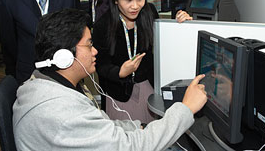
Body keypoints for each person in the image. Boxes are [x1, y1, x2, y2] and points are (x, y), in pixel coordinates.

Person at [13, 8, 207, 150]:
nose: (95, 51)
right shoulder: (61, 113)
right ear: (64, 57)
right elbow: (131, 147)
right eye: (89, 45)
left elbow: (100, 127)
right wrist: (186, 108)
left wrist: (139, 126)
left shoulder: (45, 84)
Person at [93, 0, 192, 123]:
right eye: (129, 0)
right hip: (118, 94)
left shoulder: (149, 12)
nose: (135, 6)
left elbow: (162, 46)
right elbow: (100, 65)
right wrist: (120, 72)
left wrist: (179, 25)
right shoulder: (103, 25)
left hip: (148, 87)